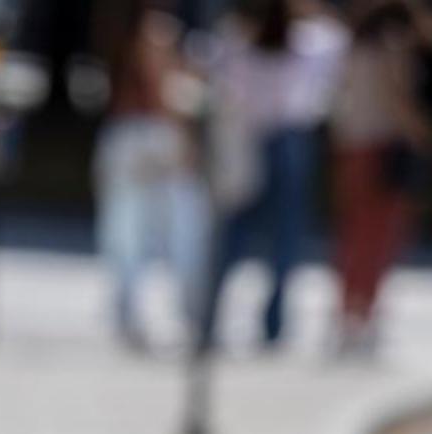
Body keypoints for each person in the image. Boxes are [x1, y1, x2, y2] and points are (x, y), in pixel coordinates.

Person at [199, 0, 348, 350]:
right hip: (287, 143)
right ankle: (273, 324)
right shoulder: (310, 41)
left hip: (249, 138)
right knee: (285, 239)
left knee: (234, 235)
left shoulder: (237, 41)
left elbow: (210, 68)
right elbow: (338, 44)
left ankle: (208, 316)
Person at [332, 0, 432, 353]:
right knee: (380, 238)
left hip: (354, 145)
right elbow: (396, 95)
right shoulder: (392, 42)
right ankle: (363, 317)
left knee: (355, 236)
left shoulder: (354, 40)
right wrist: (424, 135)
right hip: (383, 148)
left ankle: (349, 317)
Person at [93, 3, 208, 347]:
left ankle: (129, 316)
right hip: (152, 137)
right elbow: (160, 91)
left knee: (125, 233)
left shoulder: (114, 25)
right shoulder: (155, 31)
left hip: (122, 136)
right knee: (182, 230)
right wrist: (184, 140)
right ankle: (188, 315)